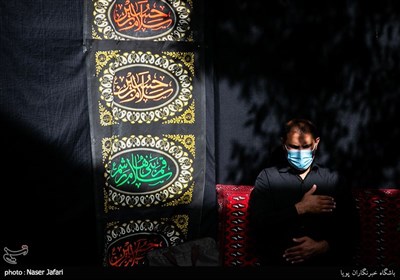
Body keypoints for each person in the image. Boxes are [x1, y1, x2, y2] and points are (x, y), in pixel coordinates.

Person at [247, 118, 359, 266]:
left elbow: (352, 229)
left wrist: (322, 246)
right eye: (294, 147)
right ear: (283, 144)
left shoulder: (334, 179)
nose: (300, 153)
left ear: (316, 143)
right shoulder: (268, 178)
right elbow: (258, 224)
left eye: (306, 146)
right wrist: (300, 208)